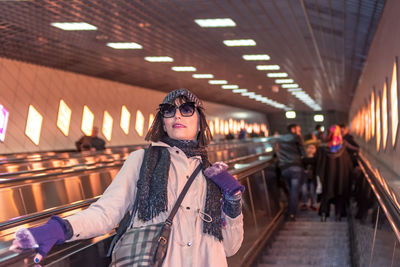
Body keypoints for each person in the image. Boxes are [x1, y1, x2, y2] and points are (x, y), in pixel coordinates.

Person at [10, 89, 244, 266]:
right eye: (168, 110)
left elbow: (232, 247)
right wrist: (61, 228)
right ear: (162, 121)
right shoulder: (141, 161)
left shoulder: (213, 175)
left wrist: (233, 202)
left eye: (186, 109)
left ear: (200, 121)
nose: (176, 116)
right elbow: (106, 213)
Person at [274, 123, 305, 221]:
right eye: (298, 129)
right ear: (293, 129)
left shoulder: (279, 138)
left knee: (289, 190)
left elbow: (276, 152)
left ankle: (289, 209)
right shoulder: (297, 137)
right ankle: (292, 213)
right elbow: (303, 152)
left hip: (284, 168)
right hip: (296, 167)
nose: (299, 131)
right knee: (294, 192)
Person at [300, 140, 318, 211]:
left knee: (312, 190)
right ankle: (305, 203)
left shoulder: (316, 158)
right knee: (304, 190)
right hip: (305, 176)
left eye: (312, 148)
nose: (310, 149)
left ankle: (313, 204)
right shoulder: (304, 158)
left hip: (313, 177)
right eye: (309, 148)